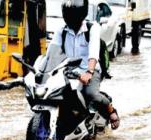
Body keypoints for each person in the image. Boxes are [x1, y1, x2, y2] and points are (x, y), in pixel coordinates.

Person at [48, 0, 120, 129]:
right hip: (67, 71)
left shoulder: (93, 28)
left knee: (90, 94)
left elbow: (93, 53)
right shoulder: (61, 30)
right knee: (54, 94)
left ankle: (110, 109)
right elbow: (51, 53)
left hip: (90, 70)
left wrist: (89, 72)